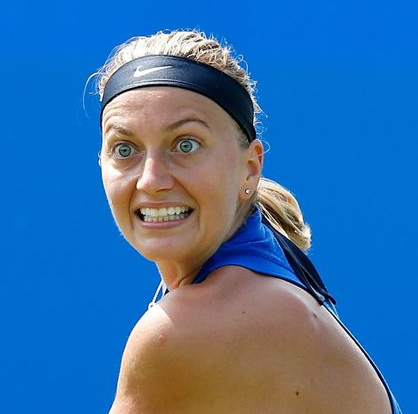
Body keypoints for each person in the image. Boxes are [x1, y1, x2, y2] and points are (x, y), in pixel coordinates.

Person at [95, 30, 402, 413]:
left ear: (250, 167)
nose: (151, 180)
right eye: (125, 149)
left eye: (185, 144)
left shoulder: (188, 329)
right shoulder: (265, 263)